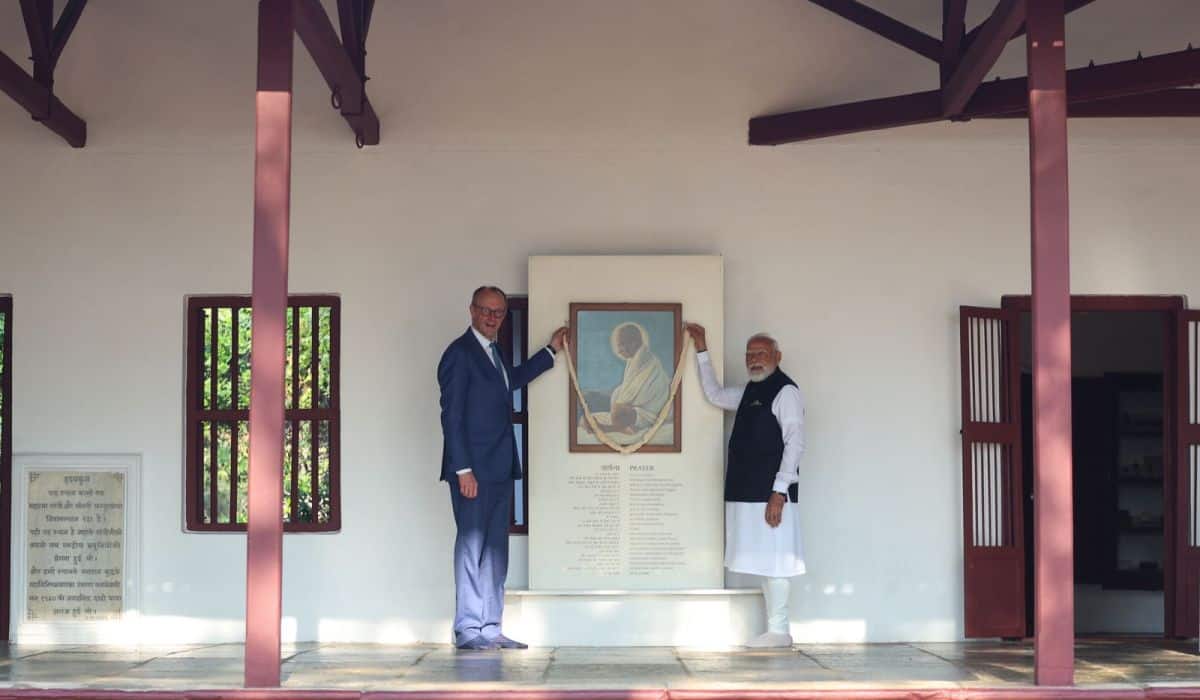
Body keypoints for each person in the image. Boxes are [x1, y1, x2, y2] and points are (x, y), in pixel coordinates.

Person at [438, 285, 567, 650]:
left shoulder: (494, 353)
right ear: (471, 310)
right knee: (472, 546)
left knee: (496, 550)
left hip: (500, 466)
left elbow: (512, 381)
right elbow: (451, 417)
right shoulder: (459, 353)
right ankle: (468, 629)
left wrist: (551, 351)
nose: (491, 317)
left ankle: (491, 627)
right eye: (485, 310)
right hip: (472, 471)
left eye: (498, 312)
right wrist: (462, 469)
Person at [686, 323, 806, 648]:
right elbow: (715, 394)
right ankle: (775, 630)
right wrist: (701, 348)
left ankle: (780, 631)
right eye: (750, 354)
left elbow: (795, 443)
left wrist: (779, 491)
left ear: (777, 356)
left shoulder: (786, 392)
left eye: (761, 353)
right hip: (746, 492)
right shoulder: (749, 391)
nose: (754, 359)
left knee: (777, 559)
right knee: (766, 560)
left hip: (771, 494)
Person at [581, 321, 671, 441]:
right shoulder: (634, 361)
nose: (619, 350)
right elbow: (630, 389)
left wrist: (619, 405)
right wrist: (619, 403)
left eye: (621, 344)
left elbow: (639, 390)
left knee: (618, 412)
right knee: (587, 418)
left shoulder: (645, 359)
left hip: (650, 412)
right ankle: (616, 427)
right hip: (636, 409)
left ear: (634, 343)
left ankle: (609, 428)